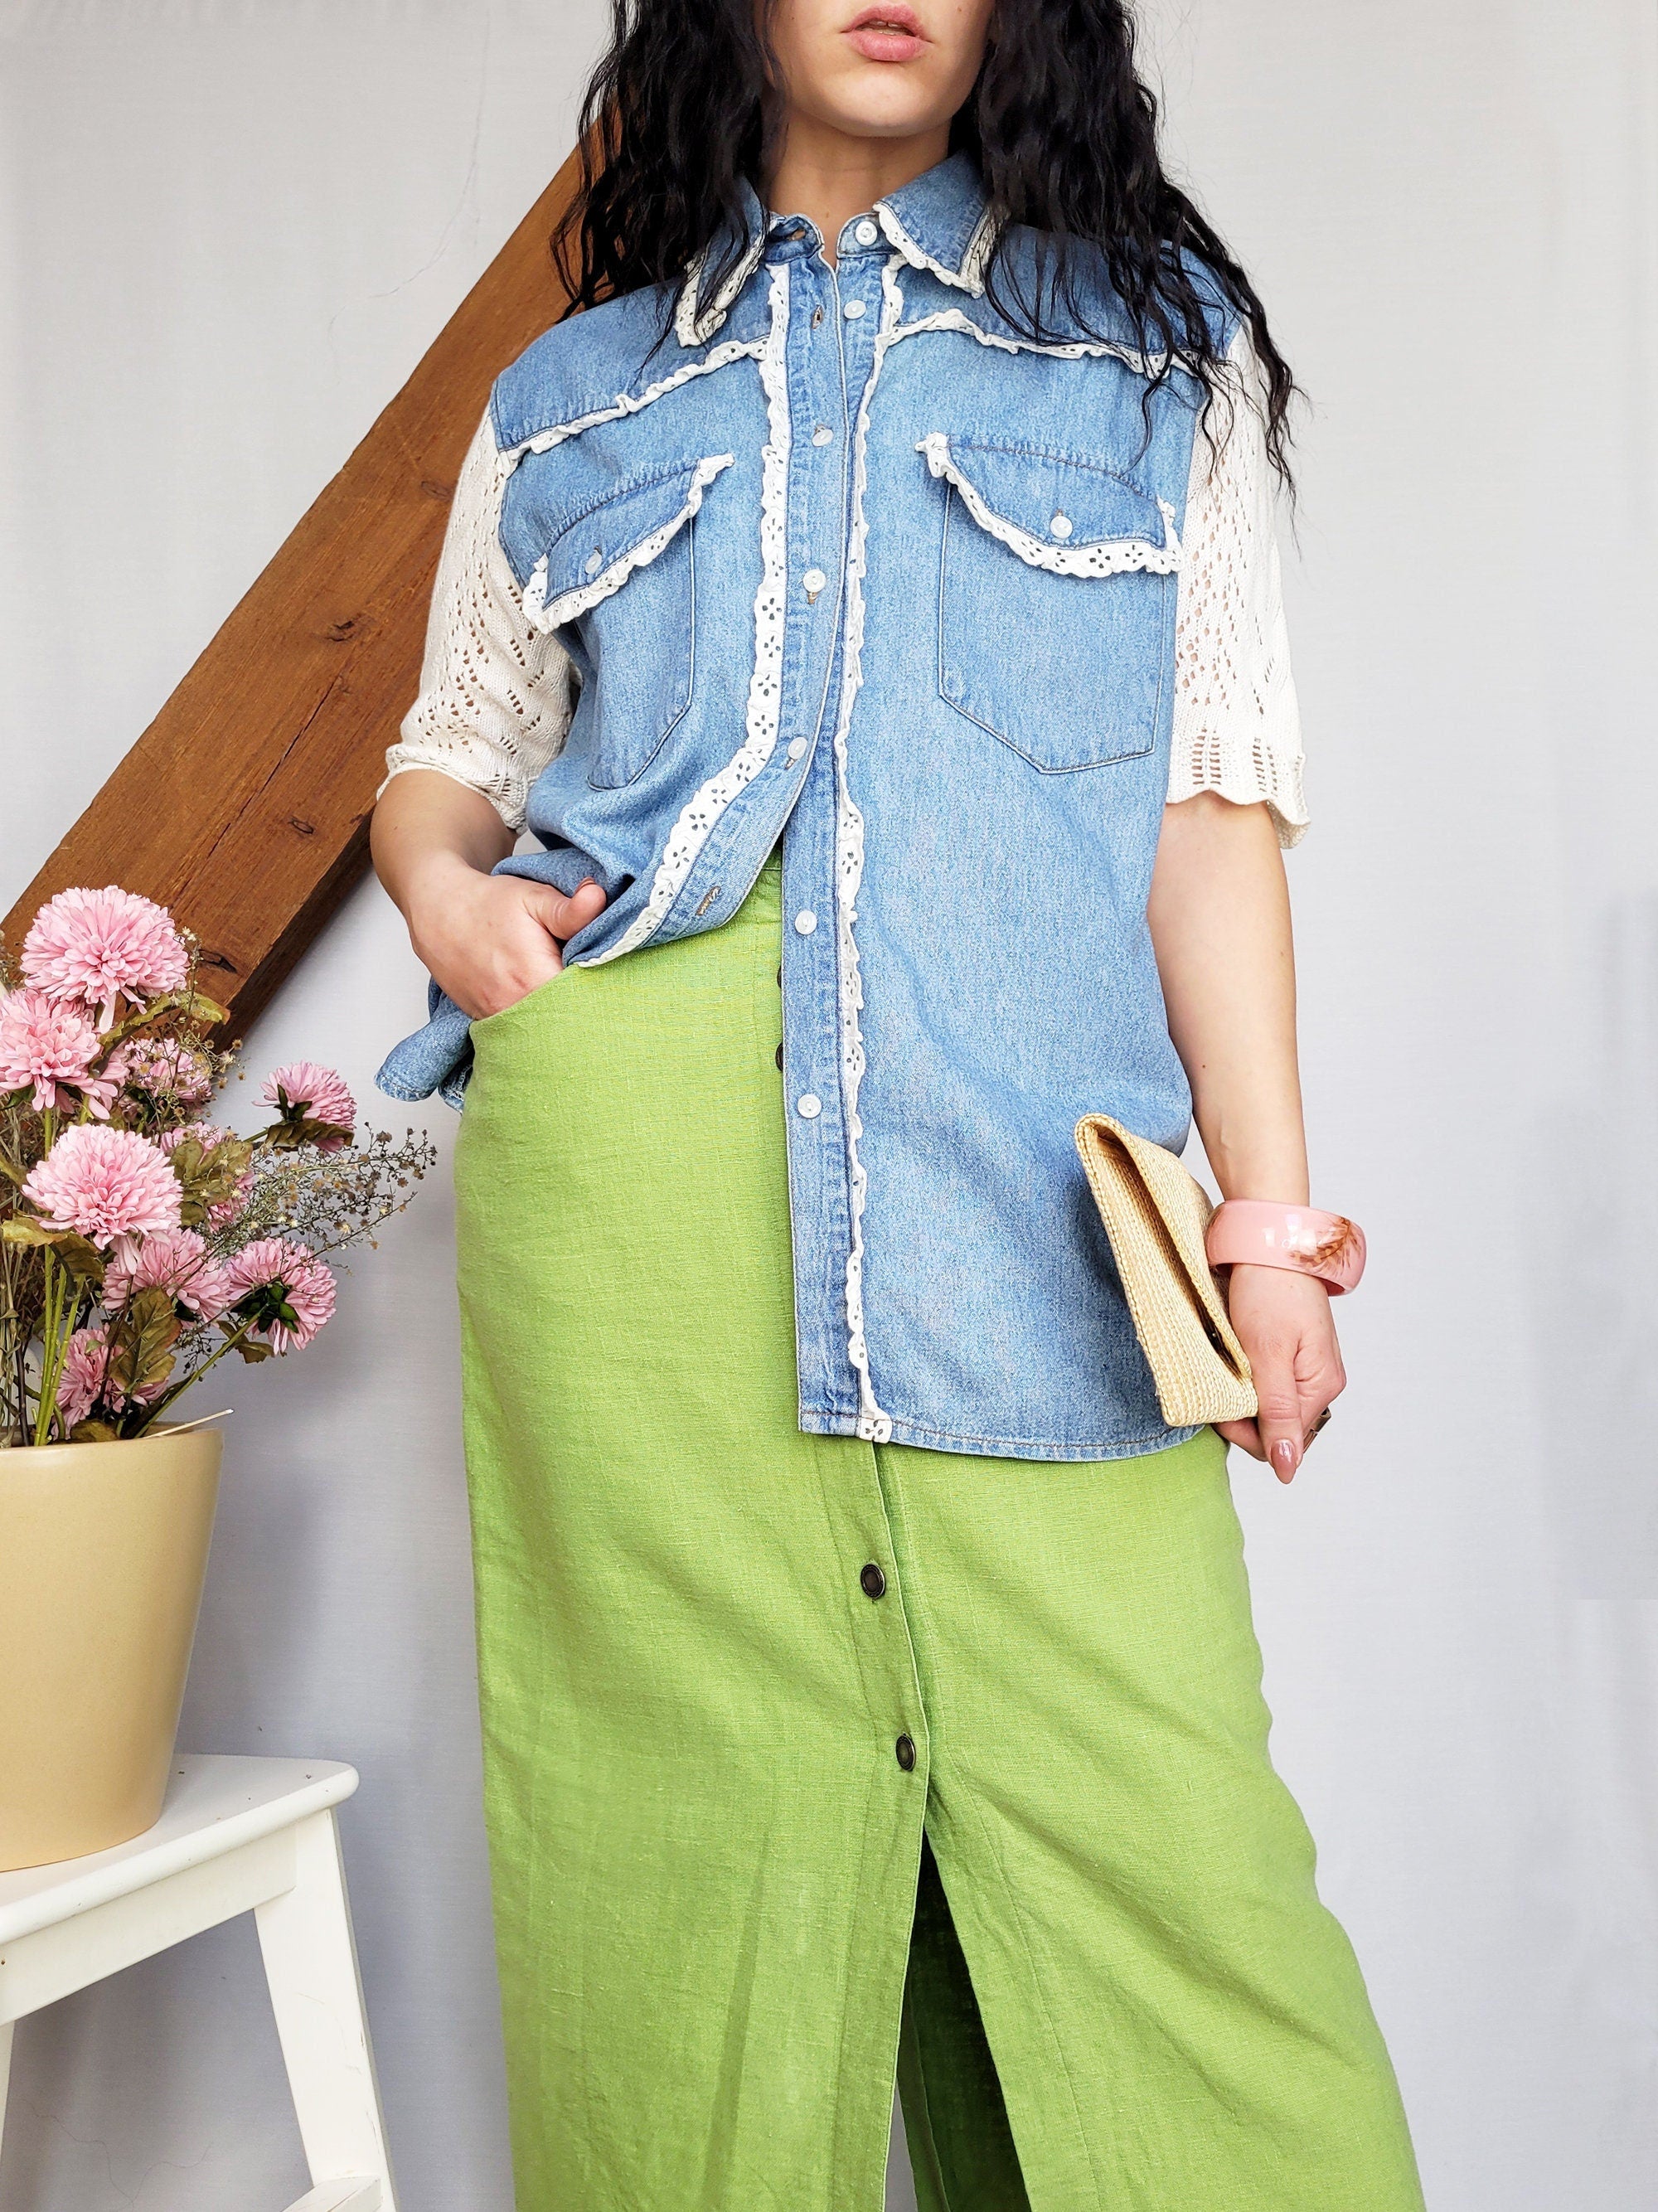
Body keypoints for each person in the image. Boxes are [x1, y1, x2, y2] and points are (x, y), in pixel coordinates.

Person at [370, 2, 1424, 2205]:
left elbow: (1211, 802)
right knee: (684, 1898)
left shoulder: (1146, 349)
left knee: (1175, 1891)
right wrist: (453, 904)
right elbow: (442, 759)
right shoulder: (574, 396)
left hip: (1026, 1220)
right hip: (641, 1239)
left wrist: (1268, 1215)